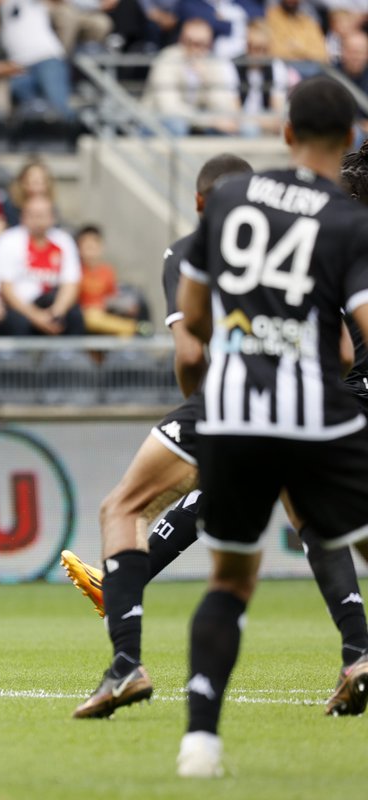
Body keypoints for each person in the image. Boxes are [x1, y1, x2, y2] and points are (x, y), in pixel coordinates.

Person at [176, 79, 368, 775]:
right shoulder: (347, 221)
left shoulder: (227, 199)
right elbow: (356, 338)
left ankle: (200, 743)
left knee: (229, 581)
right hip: (315, 414)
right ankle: (360, 649)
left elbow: (194, 326)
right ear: (350, 139)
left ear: (285, 134)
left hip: (232, 413)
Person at [0, 196, 85, 336]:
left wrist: (56, 313)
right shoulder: (8, 240)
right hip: (20, 307)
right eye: (33, 215)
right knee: (16, 322)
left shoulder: (64, 240)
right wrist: (35, 316)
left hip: (52, 303)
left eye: (42, 215)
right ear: (23, 217)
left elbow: (71, 283)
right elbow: (6, 288)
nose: (38, 221)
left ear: (53, 217)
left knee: (74, 315)